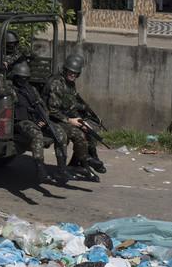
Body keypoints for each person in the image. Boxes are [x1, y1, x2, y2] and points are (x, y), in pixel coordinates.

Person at [46, 53, 105, 182]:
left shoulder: (70, 84)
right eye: (70, 72)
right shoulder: (57, 84)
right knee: (78, 134)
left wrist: (83, 118)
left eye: (75, 73)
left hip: (64, 117)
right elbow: (53, 110)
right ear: (65, 70)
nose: (72, 75)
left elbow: (71, 103)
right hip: (54, 119)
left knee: (89, 131)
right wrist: (70, 120)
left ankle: (82, 163)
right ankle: (84, 162)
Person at [10, 61, 65, 185]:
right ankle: (41, 170)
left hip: (37, 119)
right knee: (37, 135)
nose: (23, 81)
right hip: (22, 121)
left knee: (59, 132)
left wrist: (43, 120)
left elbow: (42, 106)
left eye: (26, 78)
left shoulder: (32, 89)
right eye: (20, 78)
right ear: (15, 77)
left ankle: (62, 169)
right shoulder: (11, 89)